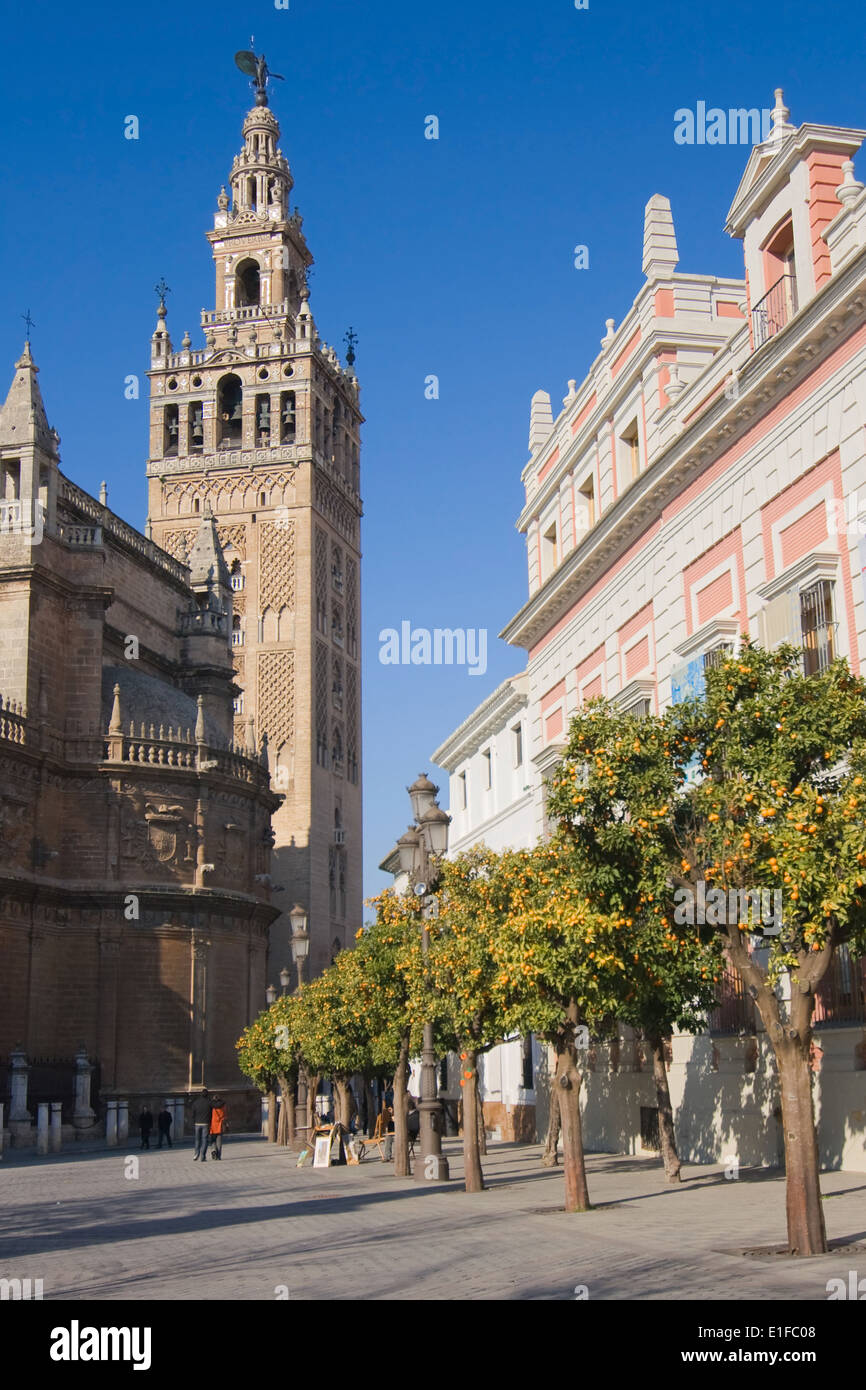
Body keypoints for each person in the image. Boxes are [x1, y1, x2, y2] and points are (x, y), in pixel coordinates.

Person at [191, 1088, 213, 1161]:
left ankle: (196, 1154)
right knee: (204, 1140)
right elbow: (212, 1113)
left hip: (197, 1123)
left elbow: (193, 1113)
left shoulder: (196, 1102)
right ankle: (203, 1156)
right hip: (205, 1123)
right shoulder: (209, 1102)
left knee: (197, 1140)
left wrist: (194, 1120)